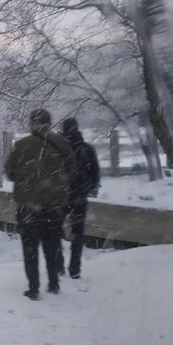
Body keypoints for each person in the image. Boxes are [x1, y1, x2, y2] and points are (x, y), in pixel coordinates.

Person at [5, 109, 75, 300]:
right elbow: (71, 170)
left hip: (28, 206)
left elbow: (10, 173)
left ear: (32, 124)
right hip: (53, 206)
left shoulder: (22, 145)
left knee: (30, 248)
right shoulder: (62, 144)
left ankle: (33, 287)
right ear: (49, 123)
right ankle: (53, 282)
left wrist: (27, 177)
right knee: (52, 245)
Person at [59, 118, 101, 279]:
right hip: (80, 196)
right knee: (78, 232)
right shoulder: (87, 149)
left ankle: (58, 264)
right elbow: (95, 174)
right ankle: (75, 268)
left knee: (55, 229)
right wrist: (88, 188)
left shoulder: (57, 149)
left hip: (60, 196)